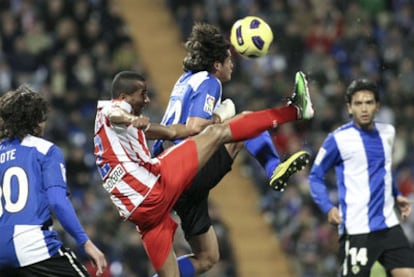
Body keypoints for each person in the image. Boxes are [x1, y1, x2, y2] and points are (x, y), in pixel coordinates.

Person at [93, 70, 314, 277]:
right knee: (219, 134)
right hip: (155, 186)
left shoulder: (120, 133)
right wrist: (131, 119)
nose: (147, 100)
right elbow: (116, 114)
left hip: (142, 215)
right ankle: (293, 111)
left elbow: (174, 131)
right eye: (143, 95)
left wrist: (216, 117)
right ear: (124, 97)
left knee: (199, 262)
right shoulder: (111, 111)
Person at [151, 22, 311, 274]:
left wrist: (219, 116)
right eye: (228, 60)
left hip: (167, 176)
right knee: (244, 123)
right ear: (217, 65)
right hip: (185, 169)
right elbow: (193, 126)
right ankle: (275, 162)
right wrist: (219, 118)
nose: (232, 64)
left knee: (207, 257)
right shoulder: (209, 82)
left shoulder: (185, 80)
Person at [308, 78, 414, 277]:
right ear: (349, 108)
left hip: (389, 225)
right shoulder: (337, 139)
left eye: (369, 102)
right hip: (357, 229)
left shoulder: (388, 132)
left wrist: (396, 194)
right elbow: (315, 177)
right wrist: (328, 207)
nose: (364, 108)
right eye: (358, 103)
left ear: (378, 106)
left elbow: (384, 168)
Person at [0, 85, 107, 276]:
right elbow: (57, 201)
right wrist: (86, 242)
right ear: (36, 121)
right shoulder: (45, 150)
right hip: (33, 247)